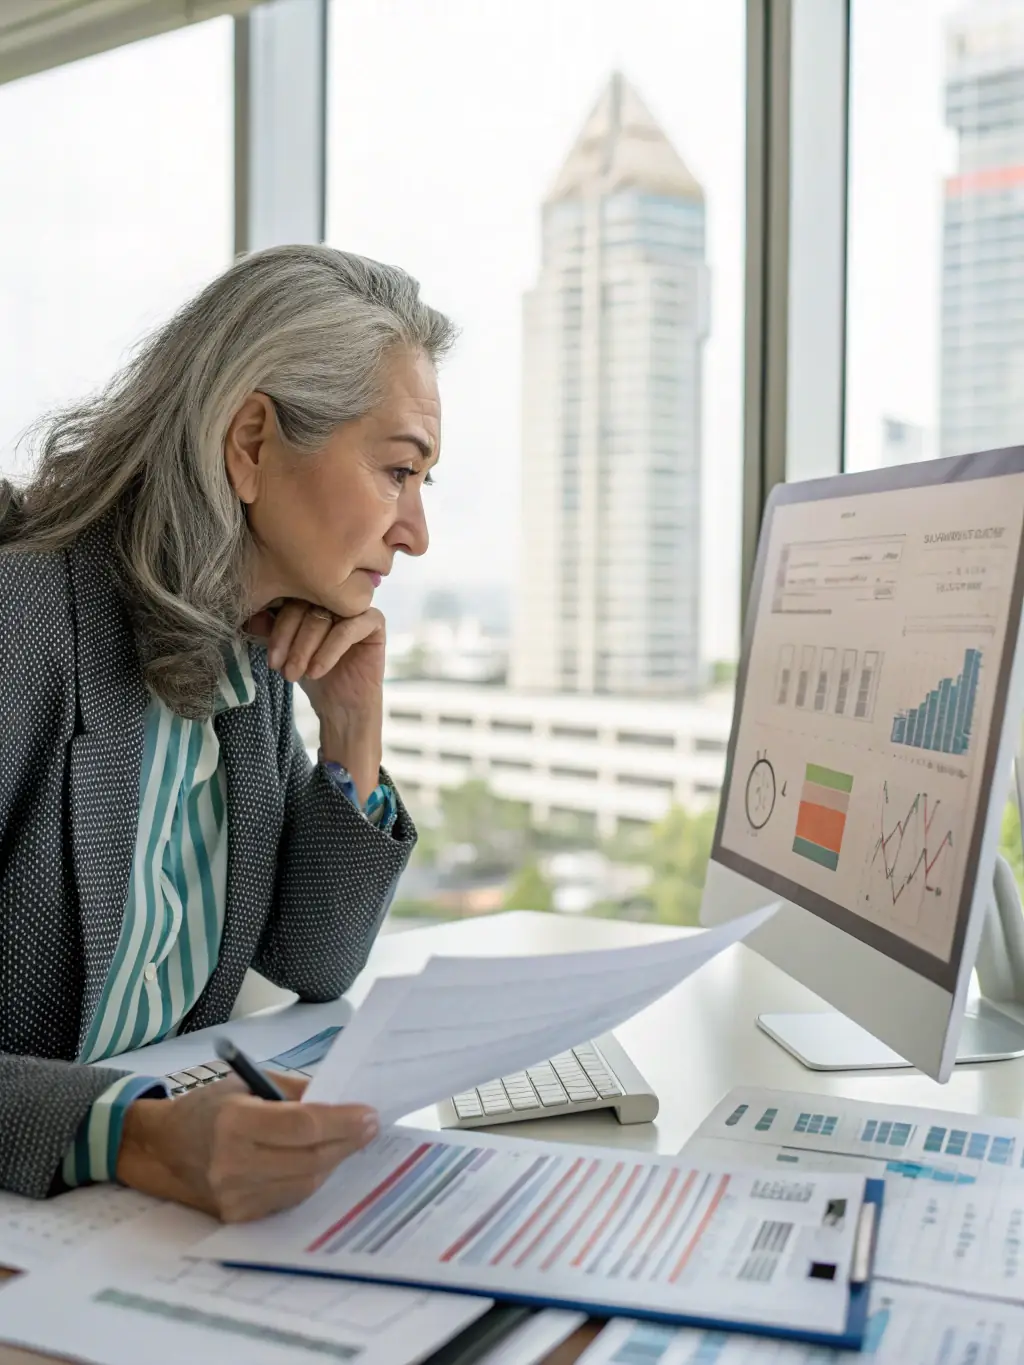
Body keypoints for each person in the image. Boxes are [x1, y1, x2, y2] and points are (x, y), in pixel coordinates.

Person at [0, 244, 453, 1221]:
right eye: (397, 472)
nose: (416, 531)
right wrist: (134, 1132)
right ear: (251, 443)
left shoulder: (246, 659)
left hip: (124, 1226)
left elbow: (314, 959)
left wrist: (351, 723)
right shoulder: (21, 624)